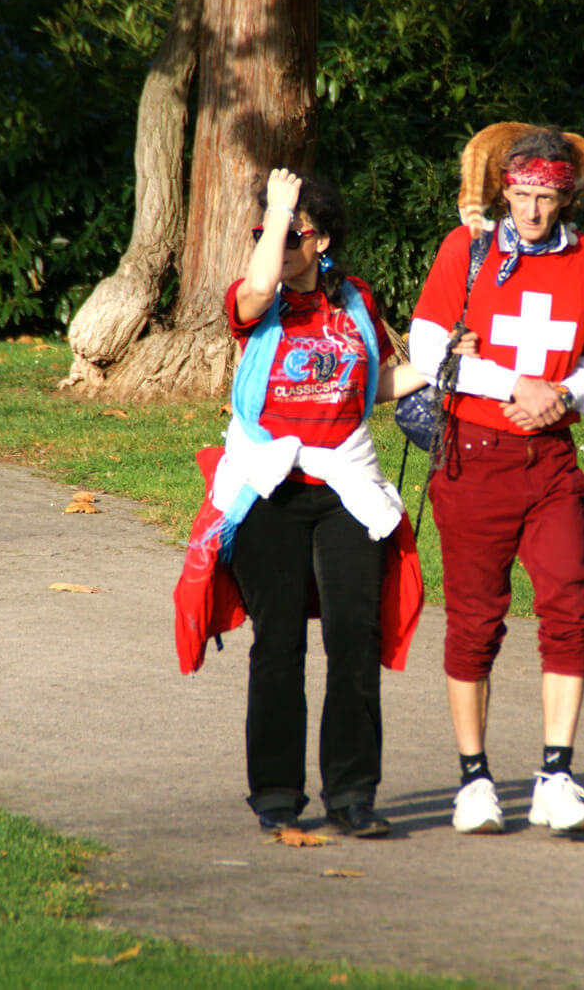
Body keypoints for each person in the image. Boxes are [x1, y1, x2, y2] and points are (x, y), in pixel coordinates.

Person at [181, 168, 431, 837]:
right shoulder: (253, 300)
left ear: (321, 240)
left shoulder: (356, 300)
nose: (277, 242)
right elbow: (260, 285)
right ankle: (275, 795)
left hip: (345, 488)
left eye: (293, 234)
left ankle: (352, 795)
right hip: (269, 489)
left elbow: (373, 386)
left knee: (355, 641)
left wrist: (440, 365)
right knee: (279, 643)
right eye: (266, 232)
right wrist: (279, 209)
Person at [409, 126, 584, 835]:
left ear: (568, 198)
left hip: (552, 458)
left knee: (569, 606)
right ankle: (474, 781)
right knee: (475, 620)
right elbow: (426, 348)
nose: (532, 210)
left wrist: (564, 393)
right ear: (504, 189)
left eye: (546, 197)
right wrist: (515, 384)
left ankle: (556, 777)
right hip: (474, 456)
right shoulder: (466, 249)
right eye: (522, 194)